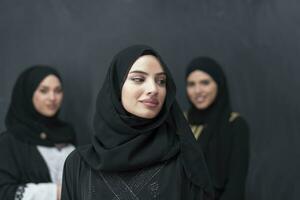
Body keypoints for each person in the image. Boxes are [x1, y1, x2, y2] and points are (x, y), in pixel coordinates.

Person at [61, 45, 213, 200]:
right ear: (116, 86)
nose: (153, 89)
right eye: (138, 79)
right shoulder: (78, 164)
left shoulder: (184, 160)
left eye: (161, 81)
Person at [0, 65, 76, 200]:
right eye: (44, 91)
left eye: (58, 91)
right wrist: (55, 192)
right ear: (28, 93)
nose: (52, 97)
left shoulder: (66, 134)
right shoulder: (9, 142)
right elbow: (4, 192)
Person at [184, 57, 249, 200]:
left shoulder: (235, 124)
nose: (198, 90)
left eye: (205, 83)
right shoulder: (181, 121)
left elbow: (235, 188)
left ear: (218, 84)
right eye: (191, 84)